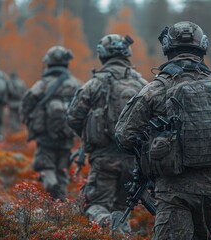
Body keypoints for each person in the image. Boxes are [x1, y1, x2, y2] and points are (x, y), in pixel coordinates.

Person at [115, 21, 211, 239]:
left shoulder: (155, 89)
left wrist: (153, 146)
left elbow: (124, 136)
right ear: (202, 47)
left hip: (173, 187)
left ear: (168, 48)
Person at [66, 34, 148, 233]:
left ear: (102, 55)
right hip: (134, 161)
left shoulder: (94, 84)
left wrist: (90, 138)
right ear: (127, 54)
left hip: (103, 159)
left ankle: (108, 223)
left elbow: (73, 117)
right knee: (122, 207)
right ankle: (121, 232)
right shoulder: (144, 85)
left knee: (94, 205)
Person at [20, 46, 80, 201]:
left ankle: (52, 186)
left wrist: (27, 120)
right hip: (67, 135)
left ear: (48, 63)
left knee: (45, 166)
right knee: (62, 168)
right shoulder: (76, 84)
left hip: (46, 135)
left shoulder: (43, 83)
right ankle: (61, 202)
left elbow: (27, 102)